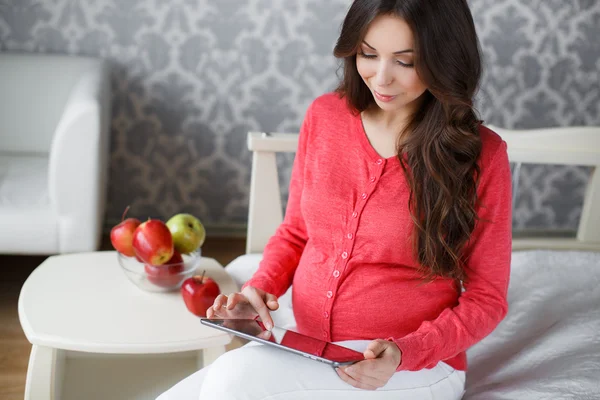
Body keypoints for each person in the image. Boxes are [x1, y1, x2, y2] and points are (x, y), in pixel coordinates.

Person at [158, 0, 512, 398]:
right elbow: (296, 232)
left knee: (231, 384)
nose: (381, 78)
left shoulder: (482, 156)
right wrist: (259, 290)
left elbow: (487, 298)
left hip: (409, 365)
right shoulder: (325, 116)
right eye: (368, 54)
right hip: (306, 344)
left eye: (405, 61)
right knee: (222, 381)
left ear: (444, 59)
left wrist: (404, 352)